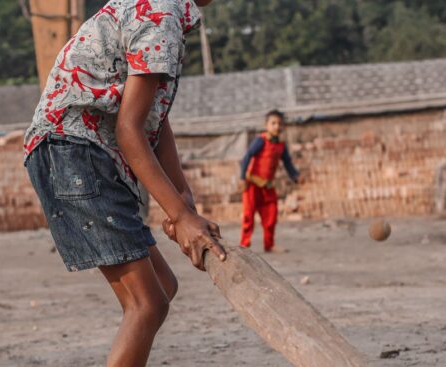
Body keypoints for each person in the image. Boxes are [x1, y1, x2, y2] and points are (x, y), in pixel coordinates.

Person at [23, 1, 225, 366]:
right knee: (145, 304)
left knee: (163, 287)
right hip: (72, 150)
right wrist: (179, 217)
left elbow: (151, 117)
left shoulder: (164, 12)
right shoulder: (160, 16)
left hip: (78, 151)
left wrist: (181, 197)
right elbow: (129, 130)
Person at [239, 110, 299, 252]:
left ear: (283, 126)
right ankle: (244, 245)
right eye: (273, 123)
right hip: (252, 184)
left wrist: (295, 176)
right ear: (266, 125)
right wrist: (242, 177)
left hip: (267, 186)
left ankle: (269, 244)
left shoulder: (281, 146)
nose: (276, 126)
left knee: (271, 215)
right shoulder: (260, 140)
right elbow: (247, 157)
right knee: (249, 216)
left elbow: (288, 163)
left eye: (279, 123)